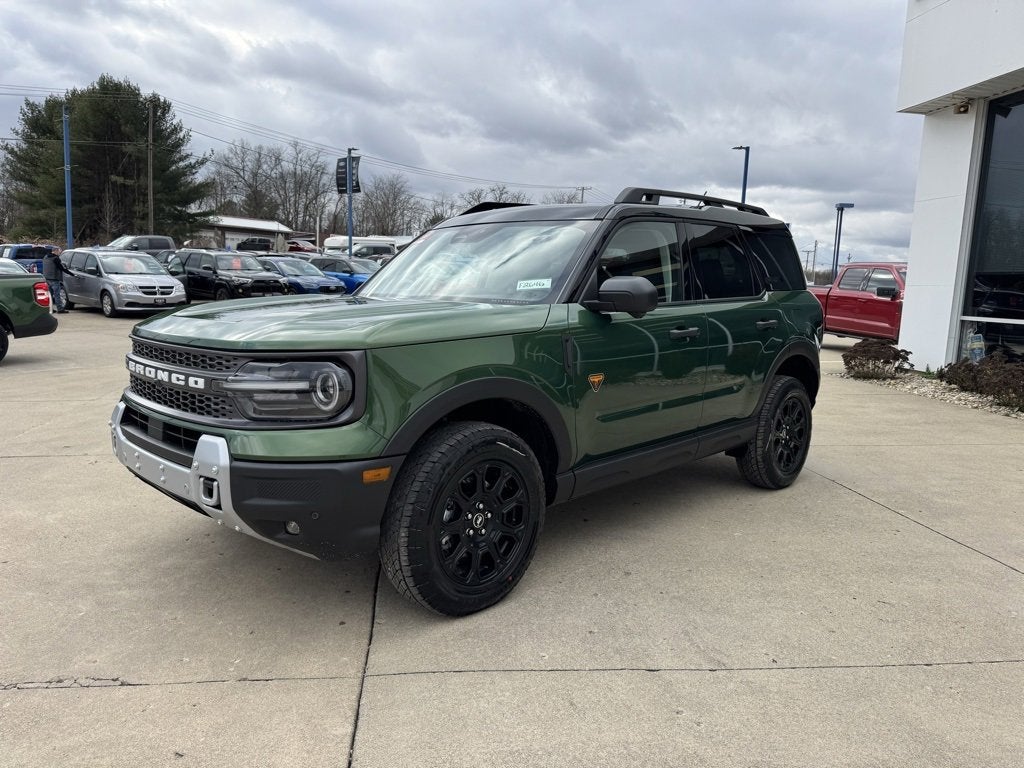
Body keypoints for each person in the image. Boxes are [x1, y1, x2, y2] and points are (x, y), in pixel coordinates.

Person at [42, 249, 72, 313]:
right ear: (56, 251)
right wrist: (71, 274)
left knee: (49, 295)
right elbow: (62, 268)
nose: (59, 253)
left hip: (47, 278)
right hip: (54, 279)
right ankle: (60, 309)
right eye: (59, 252)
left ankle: (50, 308)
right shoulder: (56, 258)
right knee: (57, 295)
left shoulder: (45, 257)